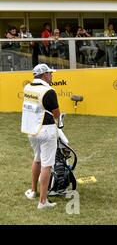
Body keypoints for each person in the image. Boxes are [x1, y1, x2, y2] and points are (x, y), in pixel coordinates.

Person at [21, 64, 61, 209]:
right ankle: (43, 201)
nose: (52, 75)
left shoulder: (27, 88)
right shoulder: (48, 91)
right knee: (47, 165)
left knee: (37, 159)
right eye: (50, 73)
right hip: (46, 130)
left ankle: (33, 191)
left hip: (32, 130)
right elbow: (56, 113)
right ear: (44, 75)